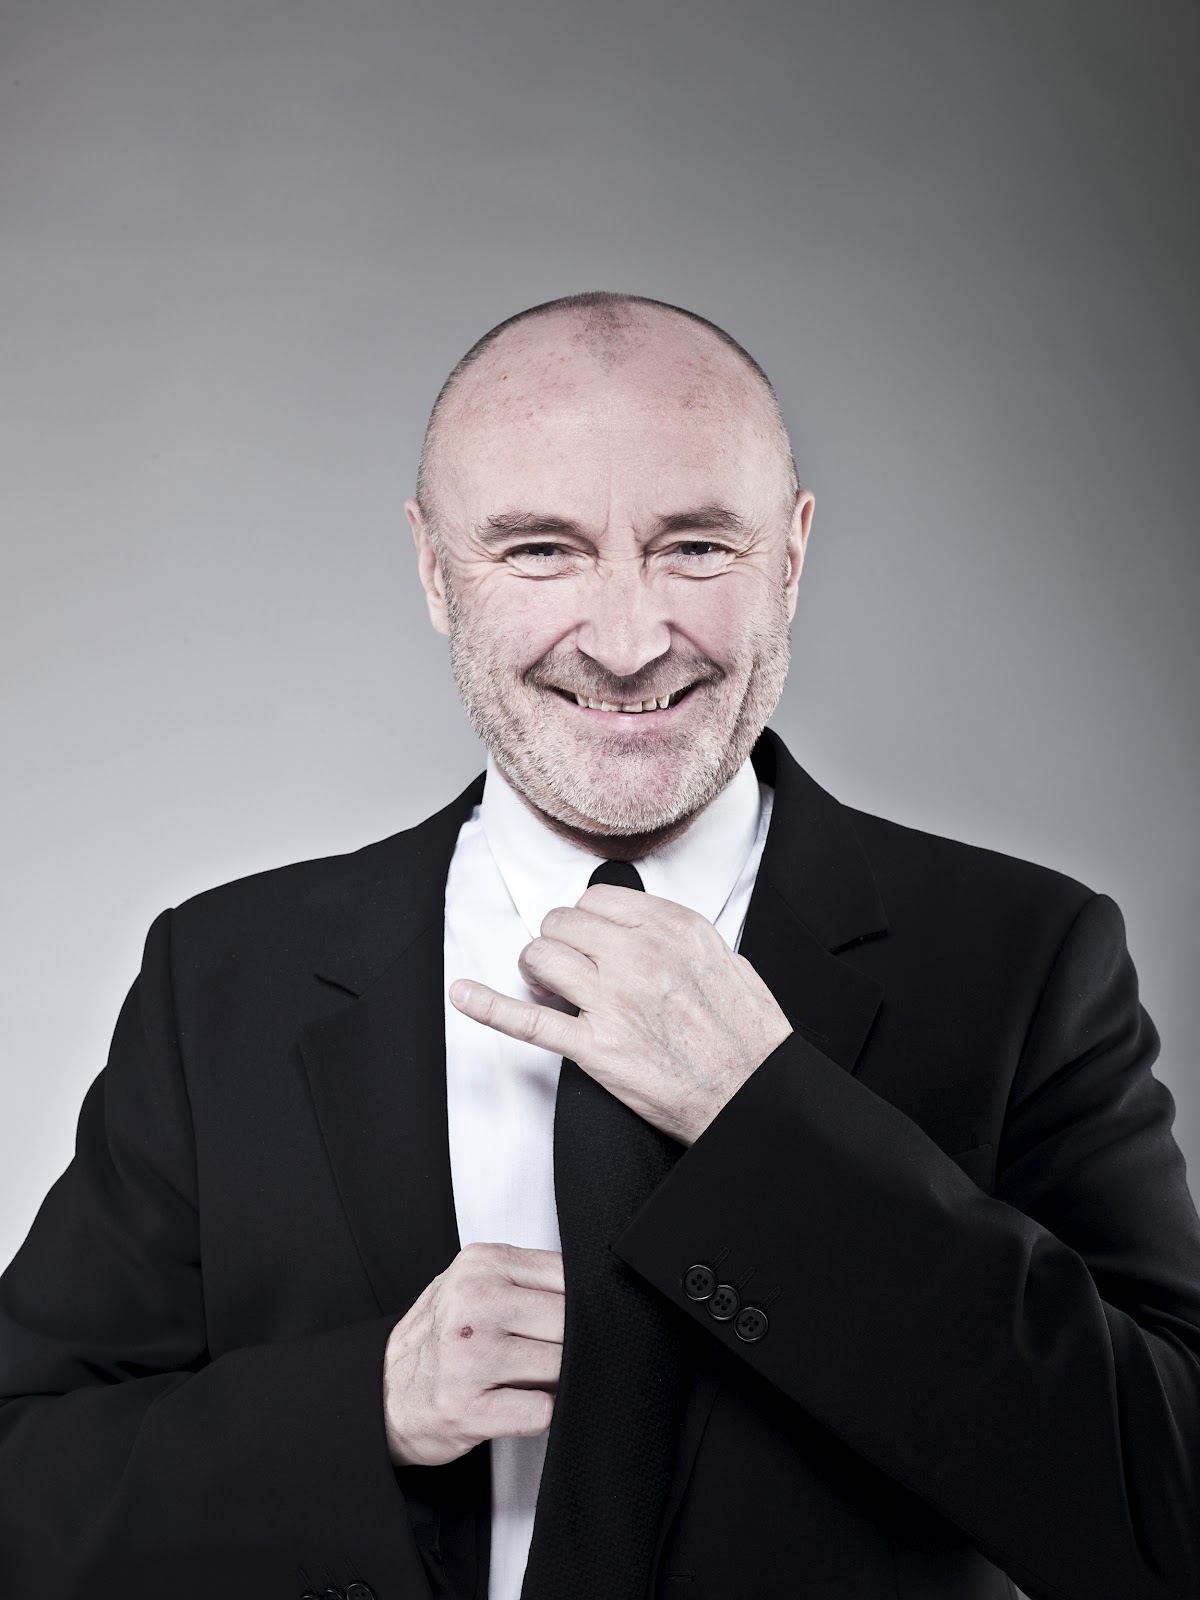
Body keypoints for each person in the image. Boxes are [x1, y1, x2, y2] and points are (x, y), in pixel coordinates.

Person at [1, 291, 1198, 1600]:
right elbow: (24, 1486)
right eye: (540, 551)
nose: (628, 645)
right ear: (433, 569)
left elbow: (1172, 1511)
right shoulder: (222, 979)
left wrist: (773, 1122)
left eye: (696, 548)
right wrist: (367, 1407)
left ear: (793, 554)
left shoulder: (1024, 959)